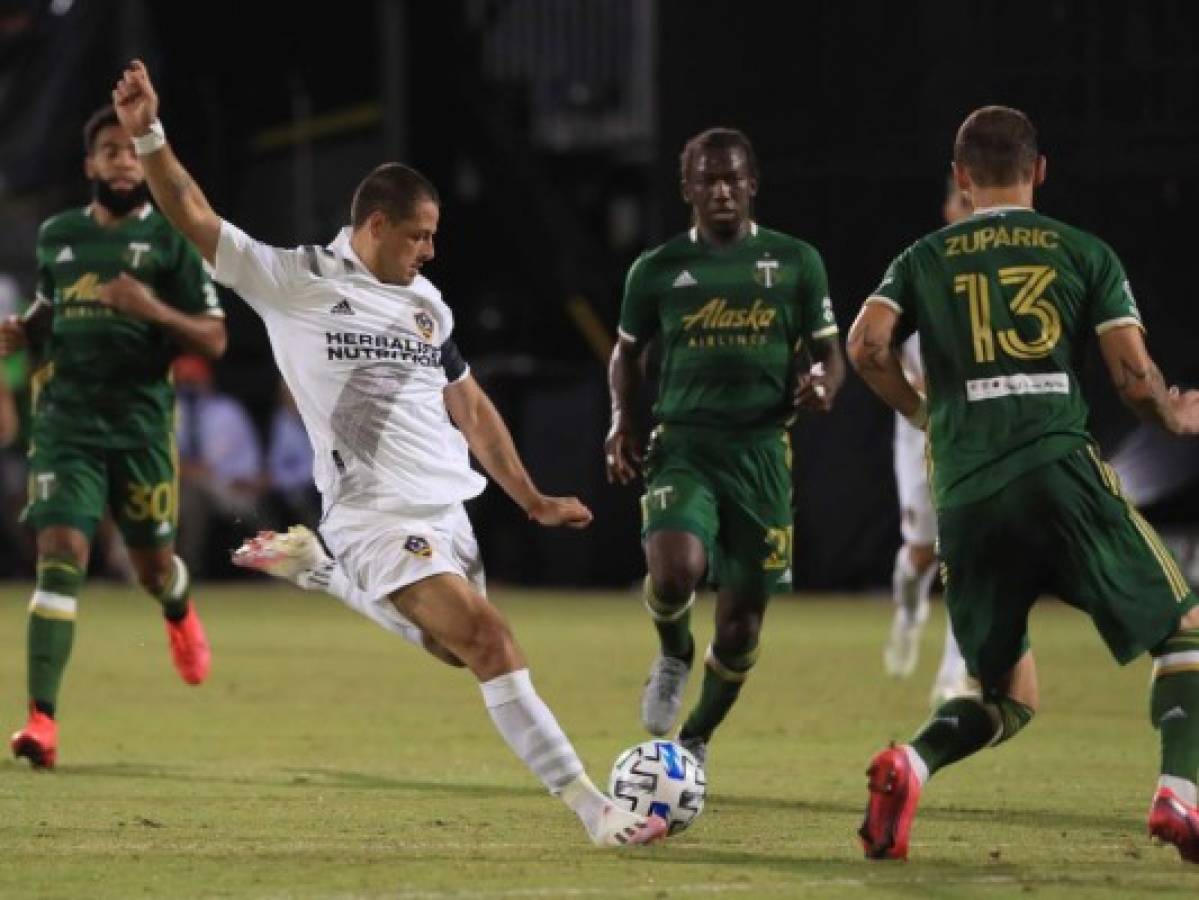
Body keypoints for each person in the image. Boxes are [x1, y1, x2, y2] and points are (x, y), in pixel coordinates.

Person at [112, 59, 665, 847]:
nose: (431, 252)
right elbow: (192, 211)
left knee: (454, 648)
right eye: (420, 235)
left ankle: (320, 573)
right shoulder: (294, 280)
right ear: (375, 225)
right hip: (374, 514)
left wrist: (530, 497)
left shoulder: (425, 305)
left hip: (447, 509)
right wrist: (149, 134)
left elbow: (468, 404)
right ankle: (595, 809)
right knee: (491, 641)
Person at [848, 105, 1199, 862]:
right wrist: (1170, 418)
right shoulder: (1080, 251)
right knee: (1184, 632)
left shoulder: (922, 256)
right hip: (1057, 472)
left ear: (961, 177)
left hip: (969, 497)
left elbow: (866, 344)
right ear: (1038, 170)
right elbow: (1133, 374)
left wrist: (922, 413)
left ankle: (909, 764)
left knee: (1007, 696)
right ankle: (1181, 793)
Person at [605, 127, 845, 765]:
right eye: (708, 179)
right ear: (687, 188)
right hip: (683, 444)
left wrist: (825, 385)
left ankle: (696, 742)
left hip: (762, 455)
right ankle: (674, 652)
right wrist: (621, 420)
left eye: (732, 178)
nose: (721, 191)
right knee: (675, 569)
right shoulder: (655, 269)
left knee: (740, 628)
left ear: (751, 184)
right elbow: (627, 353)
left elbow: (829, 352)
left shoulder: (795, 261)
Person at [4, 103, 226, 769]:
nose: (123, 161)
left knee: (152, 568)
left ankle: (179, 607)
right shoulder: (58, 235)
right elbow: (51, 307)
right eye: (110, 151)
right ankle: (41, 722)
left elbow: (214, 337)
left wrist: (150, 307)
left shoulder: (171, 242)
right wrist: (26, 329)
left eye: (132, 151)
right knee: (61, 552)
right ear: (90, 164)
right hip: (65, 423)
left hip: (139, 429)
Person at [883, 177, 971, 707]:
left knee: (965, 549)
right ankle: (909, 608)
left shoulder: (1002, 268)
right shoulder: (922, 268)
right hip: (921, 430)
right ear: (947, 206)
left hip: (975, 432)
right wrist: (913, 391)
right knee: (921, 554)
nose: (971, 210)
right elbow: (880, 345)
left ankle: (953, 672)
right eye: (963, 201)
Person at [173, 353, 264, 575]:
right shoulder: (170, 413)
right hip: (183, 490)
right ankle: (189, 570)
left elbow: (250, 466)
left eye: (193, 381)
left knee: (200, 489)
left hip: (229, 488)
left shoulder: (228, 412)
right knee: (191, 496)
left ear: (207, 380)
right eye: (183, 382)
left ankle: (278, 563)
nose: (189, 388)